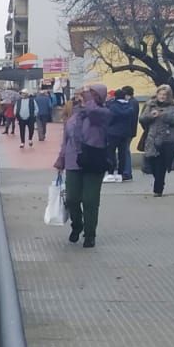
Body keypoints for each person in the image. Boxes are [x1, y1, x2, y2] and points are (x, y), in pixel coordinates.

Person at [54, 85, 112, 248]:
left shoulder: (102, 113)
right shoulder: (74, 115)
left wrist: (89, 100)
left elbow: (94, 113)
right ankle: (77, 225)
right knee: (72, 198)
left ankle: (90, 233)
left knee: (90, 200)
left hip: (94, 160)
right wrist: (61, 159)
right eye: (82, 95)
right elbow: (66, 139)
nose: (82, 98)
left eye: (88, 95)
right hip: (74, 160)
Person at [140, 85, 174, 197]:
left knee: (161, 165)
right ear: (157, 94)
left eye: (165, 95)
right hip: (152, 138)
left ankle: (158, 189)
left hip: (166, 139)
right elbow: (142, 119)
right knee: (152, 164)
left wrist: (163, 115)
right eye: (160, 94)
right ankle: (159, 181)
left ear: (169, 96)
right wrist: (151, 115)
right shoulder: (150, 104)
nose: (162, 97)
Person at [104, 87, 139, 182]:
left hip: (113, 133)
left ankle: (111, 173)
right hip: (126, 133)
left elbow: (109, 119)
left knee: (110, 153)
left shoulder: (112, 106)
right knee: (122, 154)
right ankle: (120, 173)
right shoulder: (130, 106)